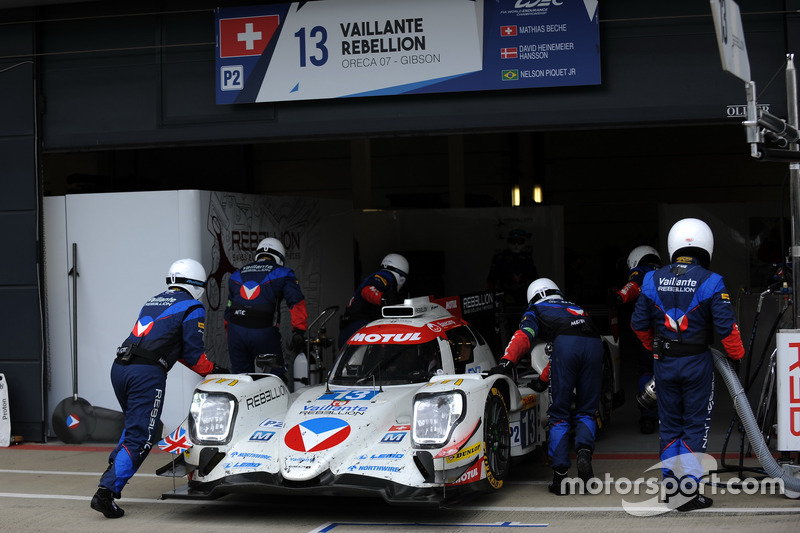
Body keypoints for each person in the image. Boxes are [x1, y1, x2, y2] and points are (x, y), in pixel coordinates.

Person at [91, 258, 227, 519]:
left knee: (134, 428)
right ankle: (105, 492)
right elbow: (196, 356)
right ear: (197, 283)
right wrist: (216, 370)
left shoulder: (153, 300)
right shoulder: (193, 307)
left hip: (120, 367)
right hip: (145, 375)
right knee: (142, 435)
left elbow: (171, 347)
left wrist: (208, 368)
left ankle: (114, 470)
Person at [631, 218, 745, 512]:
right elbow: (727, 329)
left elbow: (639, 324)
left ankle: (672, 489)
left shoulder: (650, 279)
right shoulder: (711, 280)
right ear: (705, 245)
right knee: (694, 426)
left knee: (669, 427)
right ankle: (689, 493)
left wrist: (654, 349)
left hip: (664, 363)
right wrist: (737, 358)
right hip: (697, 364)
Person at [489, 277, 603, 495]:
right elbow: (568, 349)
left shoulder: (537, 309)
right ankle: (584, 454)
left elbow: (525, 336)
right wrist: (543, 379)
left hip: (567, 348)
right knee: (587, 410)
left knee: (559, 415)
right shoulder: (575, 308)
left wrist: (506, 362)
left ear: (532, 297)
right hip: (594, 344)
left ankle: (560, 478)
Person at [225, 237, 307, 374]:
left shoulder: (236, 274)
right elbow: (296, 301)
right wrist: (299, 331)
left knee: (241, 379)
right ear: (279, 256)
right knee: (276, 377)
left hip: (235, 331)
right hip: (263, 330)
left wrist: (232, 336)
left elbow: (228, 311)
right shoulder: (283, 272)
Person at [609, 245, 662, 434]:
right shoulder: (668, 272)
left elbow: (633, 286)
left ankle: (648, 417)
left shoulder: (642, 271)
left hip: (649, 333)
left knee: (647, 370)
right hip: (674, 332)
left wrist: (619, 297)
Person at [338, 253, 409, 348]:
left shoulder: (374, 277)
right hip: (359, 330)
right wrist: (383, 299)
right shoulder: (386, 276)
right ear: (401, 278)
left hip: (350, 329)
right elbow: (367, 290)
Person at [487, 228, 539, 307]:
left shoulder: (528, 259)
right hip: (505, 294)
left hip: (523, 295)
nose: (516, 245)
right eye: (513, 241)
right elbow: (492, 279)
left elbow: (534, 279)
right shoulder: (499, 258)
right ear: (508, 242)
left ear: (524, 243)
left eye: (519, 242)